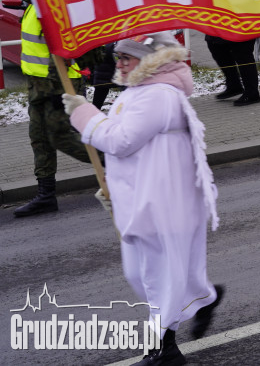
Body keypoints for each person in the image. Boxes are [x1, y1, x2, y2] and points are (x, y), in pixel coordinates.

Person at [63, 32, 223, 363]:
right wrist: (114, 188)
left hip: (160, 202)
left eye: (126, 57)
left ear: (149, 62)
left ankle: (163, 349)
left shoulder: (158, 95)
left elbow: (121, 141)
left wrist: (84, 115)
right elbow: (136, 153)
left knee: (155, 275)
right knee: (143, 273)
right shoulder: (140, 91)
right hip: (144, 197)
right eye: (117, 57)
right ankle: (205, 299)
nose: (118, 63)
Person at [11, 0, 93, 218]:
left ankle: (117, 163)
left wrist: (60, 93)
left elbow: (68, 50)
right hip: (38, 86)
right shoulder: (33, 6)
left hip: (60, 85)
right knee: (39, 139)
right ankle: (46, 196)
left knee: (61, 137)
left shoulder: (53, 8)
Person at [205, 34, 260, 106]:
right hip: (222, 25)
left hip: (243, 26)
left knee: (242, 51)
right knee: (215, 44)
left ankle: (252, 93)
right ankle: (234, 85)